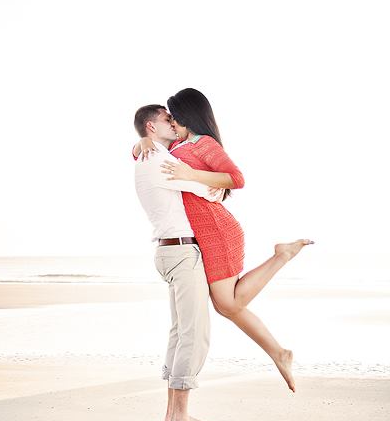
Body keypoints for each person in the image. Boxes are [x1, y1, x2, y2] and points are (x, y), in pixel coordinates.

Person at [133, 88, 314, 393]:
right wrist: (141, 142)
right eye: (168, 118)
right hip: (200, 235)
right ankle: (279, 351)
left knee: (227, 304)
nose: (172, 121)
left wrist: (194, 174)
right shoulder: (175, 144)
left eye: (174, 115)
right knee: (226, 305)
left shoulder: (204, 143)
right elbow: (149, 154)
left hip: (216, 230)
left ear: (187, 114)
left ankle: (282, 259)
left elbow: (236, 179)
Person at [133, 104, 221, 421]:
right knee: (194, 334)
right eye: (167, 119)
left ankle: (173, 414)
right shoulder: (159, 159)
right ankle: (180, 420)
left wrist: (141, 141)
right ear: (151, 127)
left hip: (170, 250)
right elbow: (207, 189)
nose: (174, 122)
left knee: (179, 332)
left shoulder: (148, 155)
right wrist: (211, 185)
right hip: (182, 251)